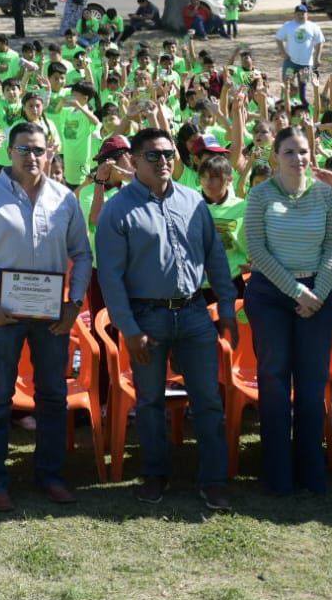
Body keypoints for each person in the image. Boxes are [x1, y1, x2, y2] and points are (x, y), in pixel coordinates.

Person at [97, 126, 238, 511]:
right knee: (150, 403)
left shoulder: (193, 201)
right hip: (147, 318)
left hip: (194, 313)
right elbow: (110, 276)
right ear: (135, 161)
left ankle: (213, 480)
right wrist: (129, 330)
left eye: (168, 155)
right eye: (153, 156)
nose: (163, 162)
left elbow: (216, 260)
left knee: (208, 400)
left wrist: (226, 309)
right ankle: (155, 475)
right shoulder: (117, 209)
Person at [0, 121, 92, 511]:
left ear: (48, 152)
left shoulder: (64, 198)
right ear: (9, 153)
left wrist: (75, 303)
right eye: (23, 149)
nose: (32, 157)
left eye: (38, 150)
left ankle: (50, 475)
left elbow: (82, 254)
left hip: (52, 314)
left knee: (52, 395)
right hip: (4, 312)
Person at [242, 127, 332, 496]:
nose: (298, 158)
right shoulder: (260, 195)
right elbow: (257, 248)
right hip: (271, 296)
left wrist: (316, 292)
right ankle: (277, 472)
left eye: (303, 151)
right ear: (275, 156)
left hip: (318, 295)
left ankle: (311, 468)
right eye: (289, 151)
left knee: (312, 381)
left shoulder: (323, 194)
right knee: (273, 379)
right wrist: (297, 291)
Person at [275, 4, 325, 85]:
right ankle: (287, 97)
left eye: (303, 14)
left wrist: (317, 58)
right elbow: (278, 38)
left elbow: (320, 42)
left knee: (303, 86)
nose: (301, 16)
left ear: (307, 14)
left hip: (306, 64)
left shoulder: (313, 27)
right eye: (298, 14)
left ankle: (300, 97)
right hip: (290, 62)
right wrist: (283, 53)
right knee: (287, 83)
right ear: (294, 14)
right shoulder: (288, 25)